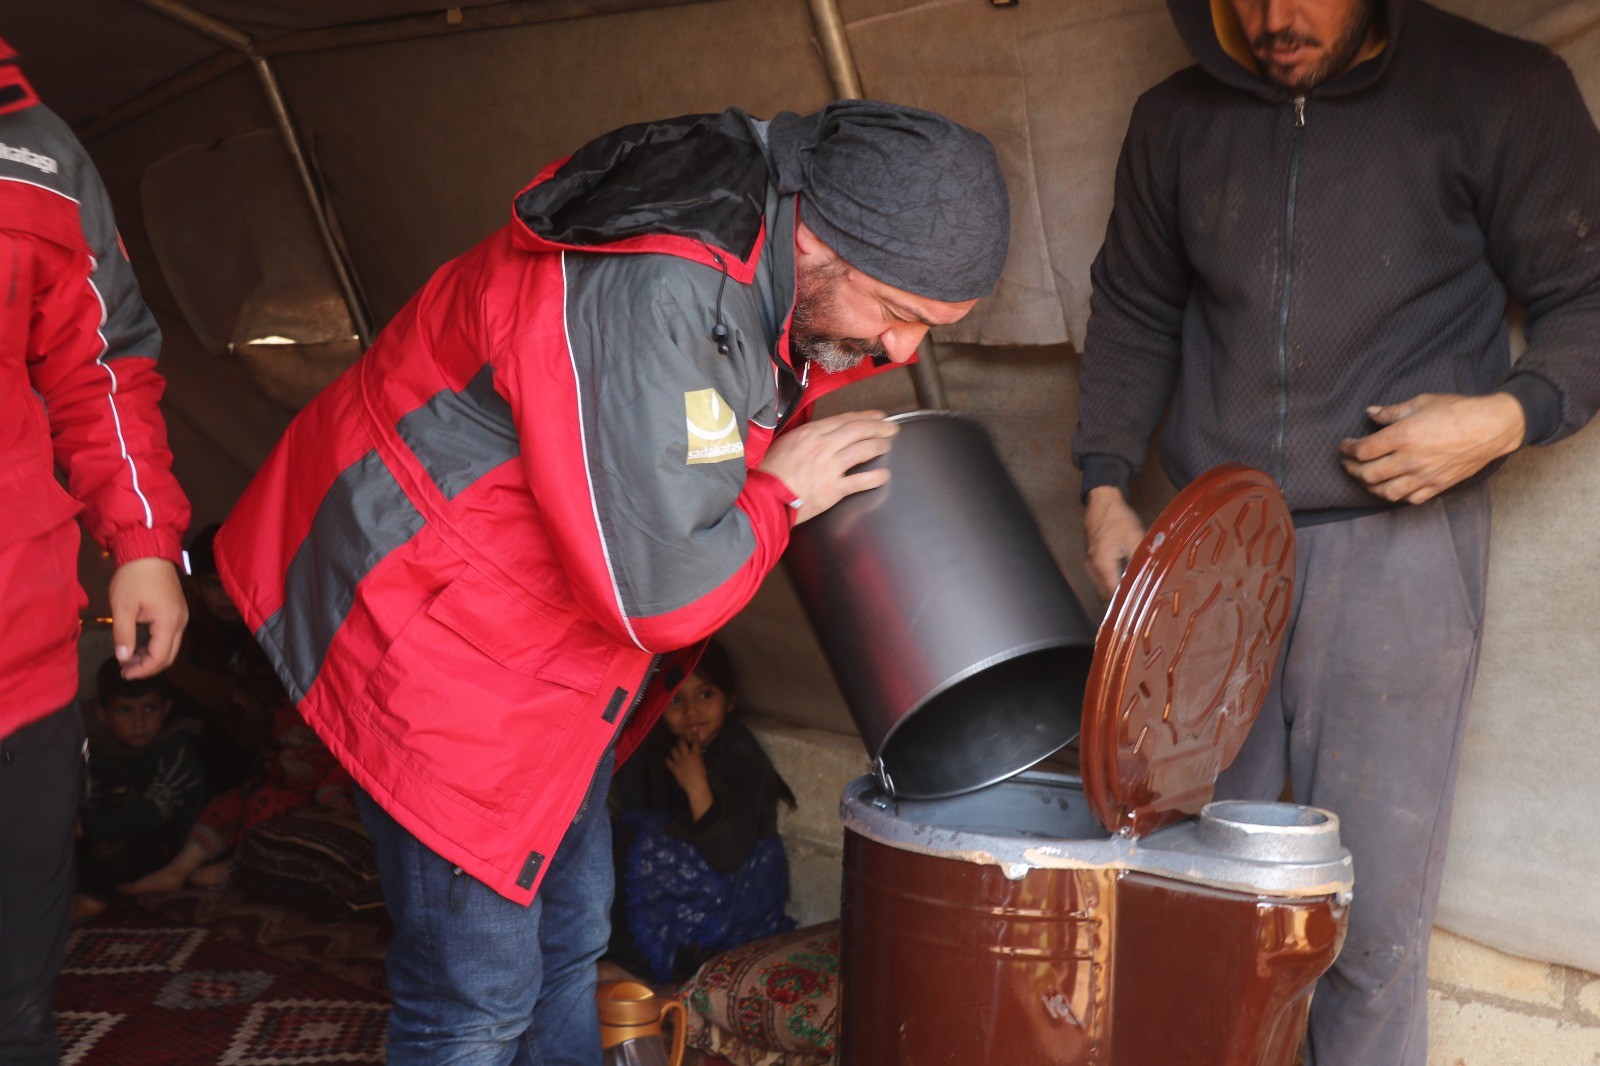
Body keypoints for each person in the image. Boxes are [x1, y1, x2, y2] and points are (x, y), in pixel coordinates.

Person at [214, 100, 1009, 1063]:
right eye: (899, 313)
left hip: (546, 637)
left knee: (573, 938)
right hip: (429, 614)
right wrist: (778, 500)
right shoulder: (658, 291)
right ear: (824, 240)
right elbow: (661, 596)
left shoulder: (773, 262)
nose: (903, 353)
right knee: (477, 995)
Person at [1072, 2, 1600, 1064]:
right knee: (1195, 890)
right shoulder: (1175, 118)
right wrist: (1102, 484)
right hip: (1210, 551)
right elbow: (1131, 305)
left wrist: (1504, 415)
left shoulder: (1497, 90)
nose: (1272, 19)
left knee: (1367, 911)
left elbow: (1587, 294)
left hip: (1399, 548)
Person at [0, 39, 190, 1064]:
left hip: (20, 659)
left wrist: (145, 545)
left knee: (14, 1017)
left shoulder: (37, 153)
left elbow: (100, 371)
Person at [604, 640, 798, 984]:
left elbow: (728, 854)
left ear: (731, 699)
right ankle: (625, 957)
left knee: (646, 841)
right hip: (696, 872)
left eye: (705, 695)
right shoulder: (663, 744)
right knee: (627, 834)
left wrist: (697, 787)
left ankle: (639, 966)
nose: (692, 712)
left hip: (743, 883)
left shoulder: (741, 755)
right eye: (676, 699)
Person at [122, 702, 350, 895]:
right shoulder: (290, 709)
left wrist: (331, 794)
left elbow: (341, 774)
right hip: (277, 786)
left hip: (307, 800)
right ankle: (178, 869)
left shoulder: (344, 722)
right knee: (231, 801)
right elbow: (274, 757)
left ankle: (239, 866)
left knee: (265, 801)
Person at [73, 660, 206, 919]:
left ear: (166, 708)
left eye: (150, 708)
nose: (139, 722)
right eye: (125, 711)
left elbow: (151, 814)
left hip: (162, 842)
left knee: (123, 851)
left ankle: (89, 897)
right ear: (103, 714)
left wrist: (87, 827)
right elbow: (89, 802)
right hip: (106, 836)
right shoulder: (98, 754)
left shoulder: (177, 750)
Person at [164, 524, 283, 793]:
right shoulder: (188, 621)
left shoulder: (266, 624)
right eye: (213, 584)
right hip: (204, 737)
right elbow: (174, 670)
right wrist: (230, 693)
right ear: (195, 587)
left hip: (255, 735)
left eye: (233, 583)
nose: (225, 596)